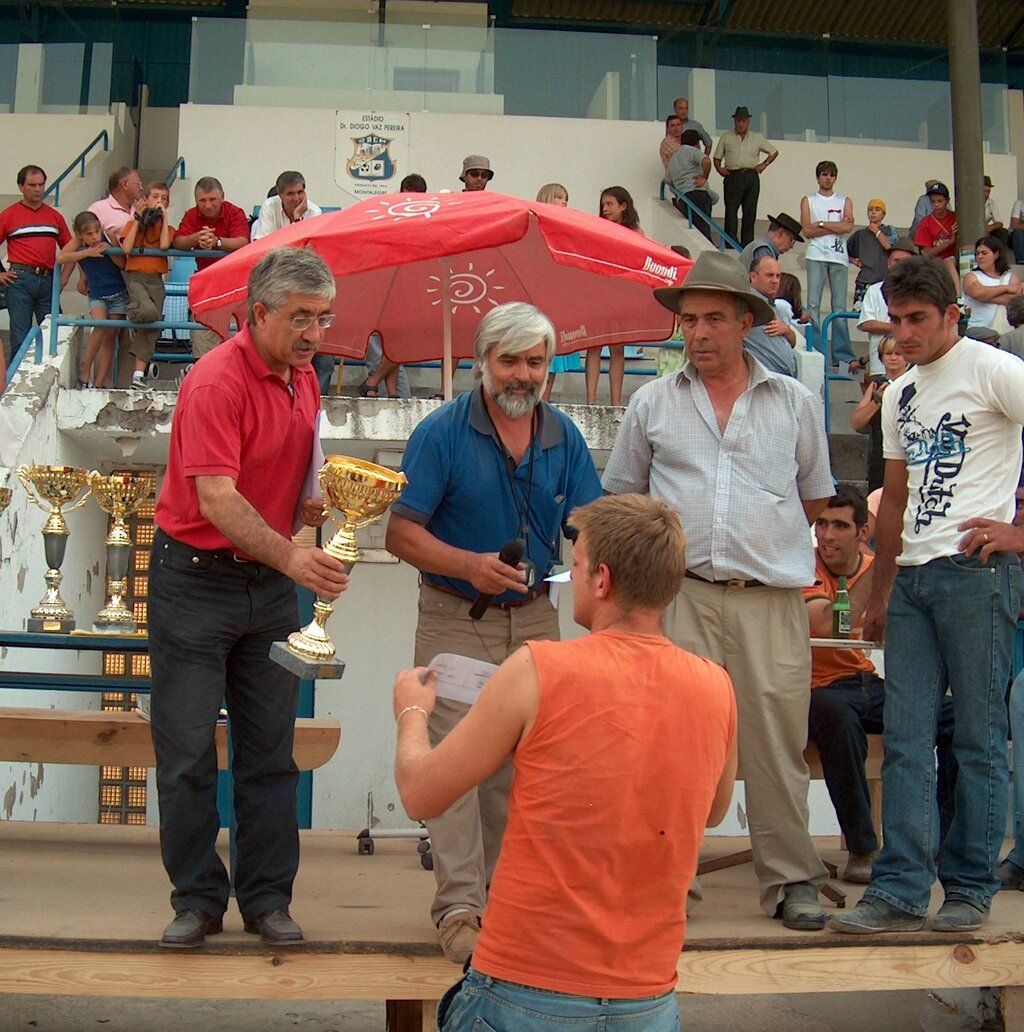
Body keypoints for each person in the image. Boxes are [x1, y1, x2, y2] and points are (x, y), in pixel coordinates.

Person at [393, 494, 737, 1031]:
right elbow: (714, 811)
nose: (568, 578)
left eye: (574, 567)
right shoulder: (717, 685)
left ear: (602, 580)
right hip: (645, 999)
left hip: (525, 989)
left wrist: (412, 711)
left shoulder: (537, 668)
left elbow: (420, 793)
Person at [602, 249, 835, 931]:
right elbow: (623, 501)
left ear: (747, 324)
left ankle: (793, 879)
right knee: (672, 743)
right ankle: (668, 882)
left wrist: (754, 544)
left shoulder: (796, 402)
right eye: (688, 320)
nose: (697, 333)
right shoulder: (651, 401)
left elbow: (814, 499)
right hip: (679, 599)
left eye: (712, 319)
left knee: (776, 744)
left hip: (770, 600)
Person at [384, 301, 602, 964]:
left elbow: (590, 525)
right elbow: (398, 533)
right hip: (456, 618)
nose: (522, 374)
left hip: (537, 618)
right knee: (453, 767)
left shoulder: (564, 435)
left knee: (520, 767)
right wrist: (468, 567)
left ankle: (502, 905)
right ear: (483, 364)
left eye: (535, 362)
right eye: (509, 360)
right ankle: (458, 908)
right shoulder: (441, 433)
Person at [148, 247, 349, 949]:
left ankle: (267, 899)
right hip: (195, 582)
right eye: (300, 318)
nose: (314, 334)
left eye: (322, 319)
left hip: (266, 583)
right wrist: (294, 554)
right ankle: (197, 899)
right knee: (186, 753)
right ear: (257, 313)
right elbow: (217, 497)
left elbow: (300, 470)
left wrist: (319, 504)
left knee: (271, 753)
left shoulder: (306, 378)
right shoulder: (214, 380)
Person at [831, 255, 1024, 935]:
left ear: (952, 315)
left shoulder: (995, 369)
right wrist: (878, 592)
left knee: (977, 738)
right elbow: (894, 501)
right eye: (897, 320)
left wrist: (1020, 534)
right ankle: (900, 890)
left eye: (918, 320)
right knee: (909, 738)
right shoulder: (901, 392)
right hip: (912, 577)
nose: (905, 333)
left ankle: (970, 886)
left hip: (978, 574)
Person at [805, 488, 956, 885]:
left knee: (956, 718)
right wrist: (887, 561)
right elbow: (825, 625)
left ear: (862, 531)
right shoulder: (802, 566)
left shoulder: (875, 565)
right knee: (835, 715)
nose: (827, 536)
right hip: (817, 686)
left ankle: (945, 843)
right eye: (821, 524)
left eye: (840, 526)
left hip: (867, 680)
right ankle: (862, 848)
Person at [0, 165, 72, 366]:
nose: (37, 189)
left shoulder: (54, 216)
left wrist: (64, 278)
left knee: (55, 334)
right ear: (21, 186)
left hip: (49, 280)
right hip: (20, 279)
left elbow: (70, 248)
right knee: (20, 338)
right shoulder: (9, 215)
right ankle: (15, 387)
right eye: (32, 185)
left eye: (41, 184)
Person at [173, 176, 251, 360]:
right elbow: (178, 240)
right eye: (202, 200)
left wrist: (216, 242)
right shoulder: (191, 215)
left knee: (235, 342)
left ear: (222, 197)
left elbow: (242, 242)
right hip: (206, 286)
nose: (207, 205)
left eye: (212, 200)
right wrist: (196, 238)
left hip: (234, 285)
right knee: (203, 340)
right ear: (196, 201)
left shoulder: (234, 212)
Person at [56, 211, 127, 390]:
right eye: (89, 234)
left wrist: (110, 247)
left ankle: (98, 382)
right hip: (97, 295)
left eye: (97, 231)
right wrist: (87, 253)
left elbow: (122, 263)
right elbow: (61, 257)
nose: (95, 237)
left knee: (110, 338)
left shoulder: (107, 238)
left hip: (118, 294)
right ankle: (85, 373)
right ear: (80, 235)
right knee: (99, 324)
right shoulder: (78, 243)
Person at [586, 187, 642, 406]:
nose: (605, 209)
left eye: (609, 204)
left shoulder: (636, 233)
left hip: (621, 296)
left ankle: (616, 404)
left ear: (623, 206)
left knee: (617, 350)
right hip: (598, 294)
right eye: (603, 205)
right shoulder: (597, 229)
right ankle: (590, 402)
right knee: (594, 348)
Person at [800, 160, 856, 371]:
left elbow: (848, 226)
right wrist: (836, 227)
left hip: (839, 257)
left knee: (839, 307)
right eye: (824, 174)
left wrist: (821, 224)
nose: (827, 178)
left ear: (835, 177)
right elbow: (807, 230)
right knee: (813, 305)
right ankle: (816, 350)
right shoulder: (808, 200)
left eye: (831, 175)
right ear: (818, 177)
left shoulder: (844, 200)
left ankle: (842, 355)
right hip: (815, 255)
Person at [119, 181, 174, 391]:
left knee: (152, 326)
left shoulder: (167, 228)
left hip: (156, 280)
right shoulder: (133, 223)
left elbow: (164, 245)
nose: (159, 201)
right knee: (148, 311)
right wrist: (138, 218)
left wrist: (164, 216)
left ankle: (138, 375)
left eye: (163, 198)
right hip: (136, 277)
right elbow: (126, 248)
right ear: (146, 199)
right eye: (155, 197)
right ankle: (133, 313)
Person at [535, 184, 581, 400]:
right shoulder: (535, 225)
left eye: (566, 198)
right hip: (541, 293)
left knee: (554, 356)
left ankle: (545, 397)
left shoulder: (568, 228)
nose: (564, 202)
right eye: (559, 197)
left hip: (560, 296)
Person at [850, 335, 909, 493]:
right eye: (889, 354)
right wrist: (877, 402)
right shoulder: (876, 385)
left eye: (898, 353)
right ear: (882, 358)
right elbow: (856, 423)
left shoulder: (916, 384)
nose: (894, 358)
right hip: (879, 457)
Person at [713, 106, 778, 247]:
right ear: (734, 121)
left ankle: (747, 245)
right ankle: (730, 243)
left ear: (748, 121)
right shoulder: (726, 137)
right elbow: (717, 158)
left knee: (750, 212)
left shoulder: (757, 137)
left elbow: (773, 152)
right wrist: (719, 169)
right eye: (738, 121)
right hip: (733, 176)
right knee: (731, 211)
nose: (740, 124)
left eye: (743, 121)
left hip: (751, 176)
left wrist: (764, 164)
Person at [856, 236, 918, 381]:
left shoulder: (922, 291)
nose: (900, 265)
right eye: (896, 261)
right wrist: (900, 327)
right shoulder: (874, 290)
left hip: (914, 366)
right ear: (888, 263)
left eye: (905, 262)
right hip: (880, 366)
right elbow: (866, 323)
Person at [745, 253, 797, 376]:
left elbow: (793, 342)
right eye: (769, 275)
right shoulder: (745, 304)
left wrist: (787, 330)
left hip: (782, 379)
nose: (775, 281)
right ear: (753, 277)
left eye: (778, 276)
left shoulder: (775, 306)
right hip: (764, 378)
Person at [963, 235, 1021, 335]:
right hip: (977, 332)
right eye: (977, 253)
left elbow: (1014, 301)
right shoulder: (970, 276)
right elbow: (977, 293)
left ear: (996, 255)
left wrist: (983, 294)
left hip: (1005, 334)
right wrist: (1007, 288)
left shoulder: (1011, 277)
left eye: (984, 253)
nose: (979, 256)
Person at [666, 130, 716, 242]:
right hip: (697, 194)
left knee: (694, 234)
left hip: (683, 199)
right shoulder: (692, 151)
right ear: (697, 143)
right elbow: (706, 161)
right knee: (704, 234)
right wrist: (704, 177)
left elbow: (668, 181)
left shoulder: (673, 158)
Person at [846, 199, 898, 307]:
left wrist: (877, 232)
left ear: (883, 214)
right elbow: (844, 252)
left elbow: (890, 247)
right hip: (864, 280)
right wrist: (855, 261)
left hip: (884, 280)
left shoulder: (889, 230)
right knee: (861, 314)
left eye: (877, 210)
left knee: (883, 313)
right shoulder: (861, 234)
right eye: (870, 210)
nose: (873, 212)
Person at [913, 182, 959, 292]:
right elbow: (926, 253)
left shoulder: (956, 217)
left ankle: (958, 297)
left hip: (955, 259)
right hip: (934, 262)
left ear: (947, 201)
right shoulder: (925, 222)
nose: (936, 205)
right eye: (933, 202)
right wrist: (949, 242)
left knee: (950, 261)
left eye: (940, 201)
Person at [251, 171, 323, 240]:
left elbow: (308, 247)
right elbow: (262, 243)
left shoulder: (314, 212)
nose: (296, 199)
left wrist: (297, 218)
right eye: (290, 194)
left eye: (300, 192)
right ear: (280, 194)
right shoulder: (269, 206)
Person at [739, 212, 803, 271]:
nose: (791, 246)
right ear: (781, 232)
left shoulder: (762, 247)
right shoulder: (763, 249)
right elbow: (765, 279)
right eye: (791, 240)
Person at [983, 175, 1010, 248]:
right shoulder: (970, 202)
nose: (986, 194)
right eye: (984, 191)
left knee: (1003, 232)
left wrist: (990, 227)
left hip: (986, 230)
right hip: (973, 230)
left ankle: (1001, 256)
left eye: (988, 191)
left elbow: (999, 223)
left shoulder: (991, 203)